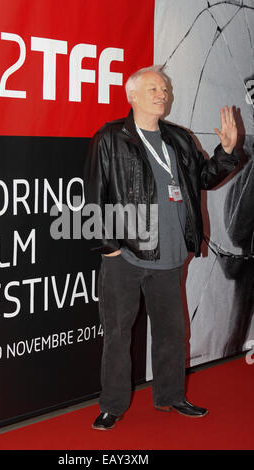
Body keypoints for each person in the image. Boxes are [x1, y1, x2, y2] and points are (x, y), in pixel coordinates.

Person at [84, 65, 238, 430]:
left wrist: (227, 153)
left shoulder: (179, 139)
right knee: (118, 335)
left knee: (172, 333)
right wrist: (109, 248)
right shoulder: (110, 138)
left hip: (170, 257)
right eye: (154, 87)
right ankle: (113, 405)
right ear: (132, 95)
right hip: (125, 256)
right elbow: (92, 195)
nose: (162, 93)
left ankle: (171, 396)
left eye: (165, 88)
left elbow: (203, 178)